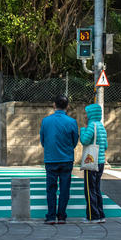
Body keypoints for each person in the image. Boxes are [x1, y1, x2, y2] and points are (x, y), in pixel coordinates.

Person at [40, 95, 79, 225]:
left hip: (51, 158)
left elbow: (43, 140)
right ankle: (61, 216)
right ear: (67, 106)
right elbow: (74, 141)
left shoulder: (46, 121)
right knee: (64, 189)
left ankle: (51, 216)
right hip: (66, 159)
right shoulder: (72, 122)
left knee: (51, 189)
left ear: (54, 105)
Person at [80, 103, 108, 223]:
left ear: (91, 114)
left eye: (87, 113)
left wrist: (82, 130)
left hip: (91, 162)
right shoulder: (101, 126)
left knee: (89, 189)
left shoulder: (91, 125)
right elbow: (105, 146)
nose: (85, 115)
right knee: (96, 189)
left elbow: (84, 141)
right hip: (100, 161)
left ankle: (93, 216)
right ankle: (101, 214)